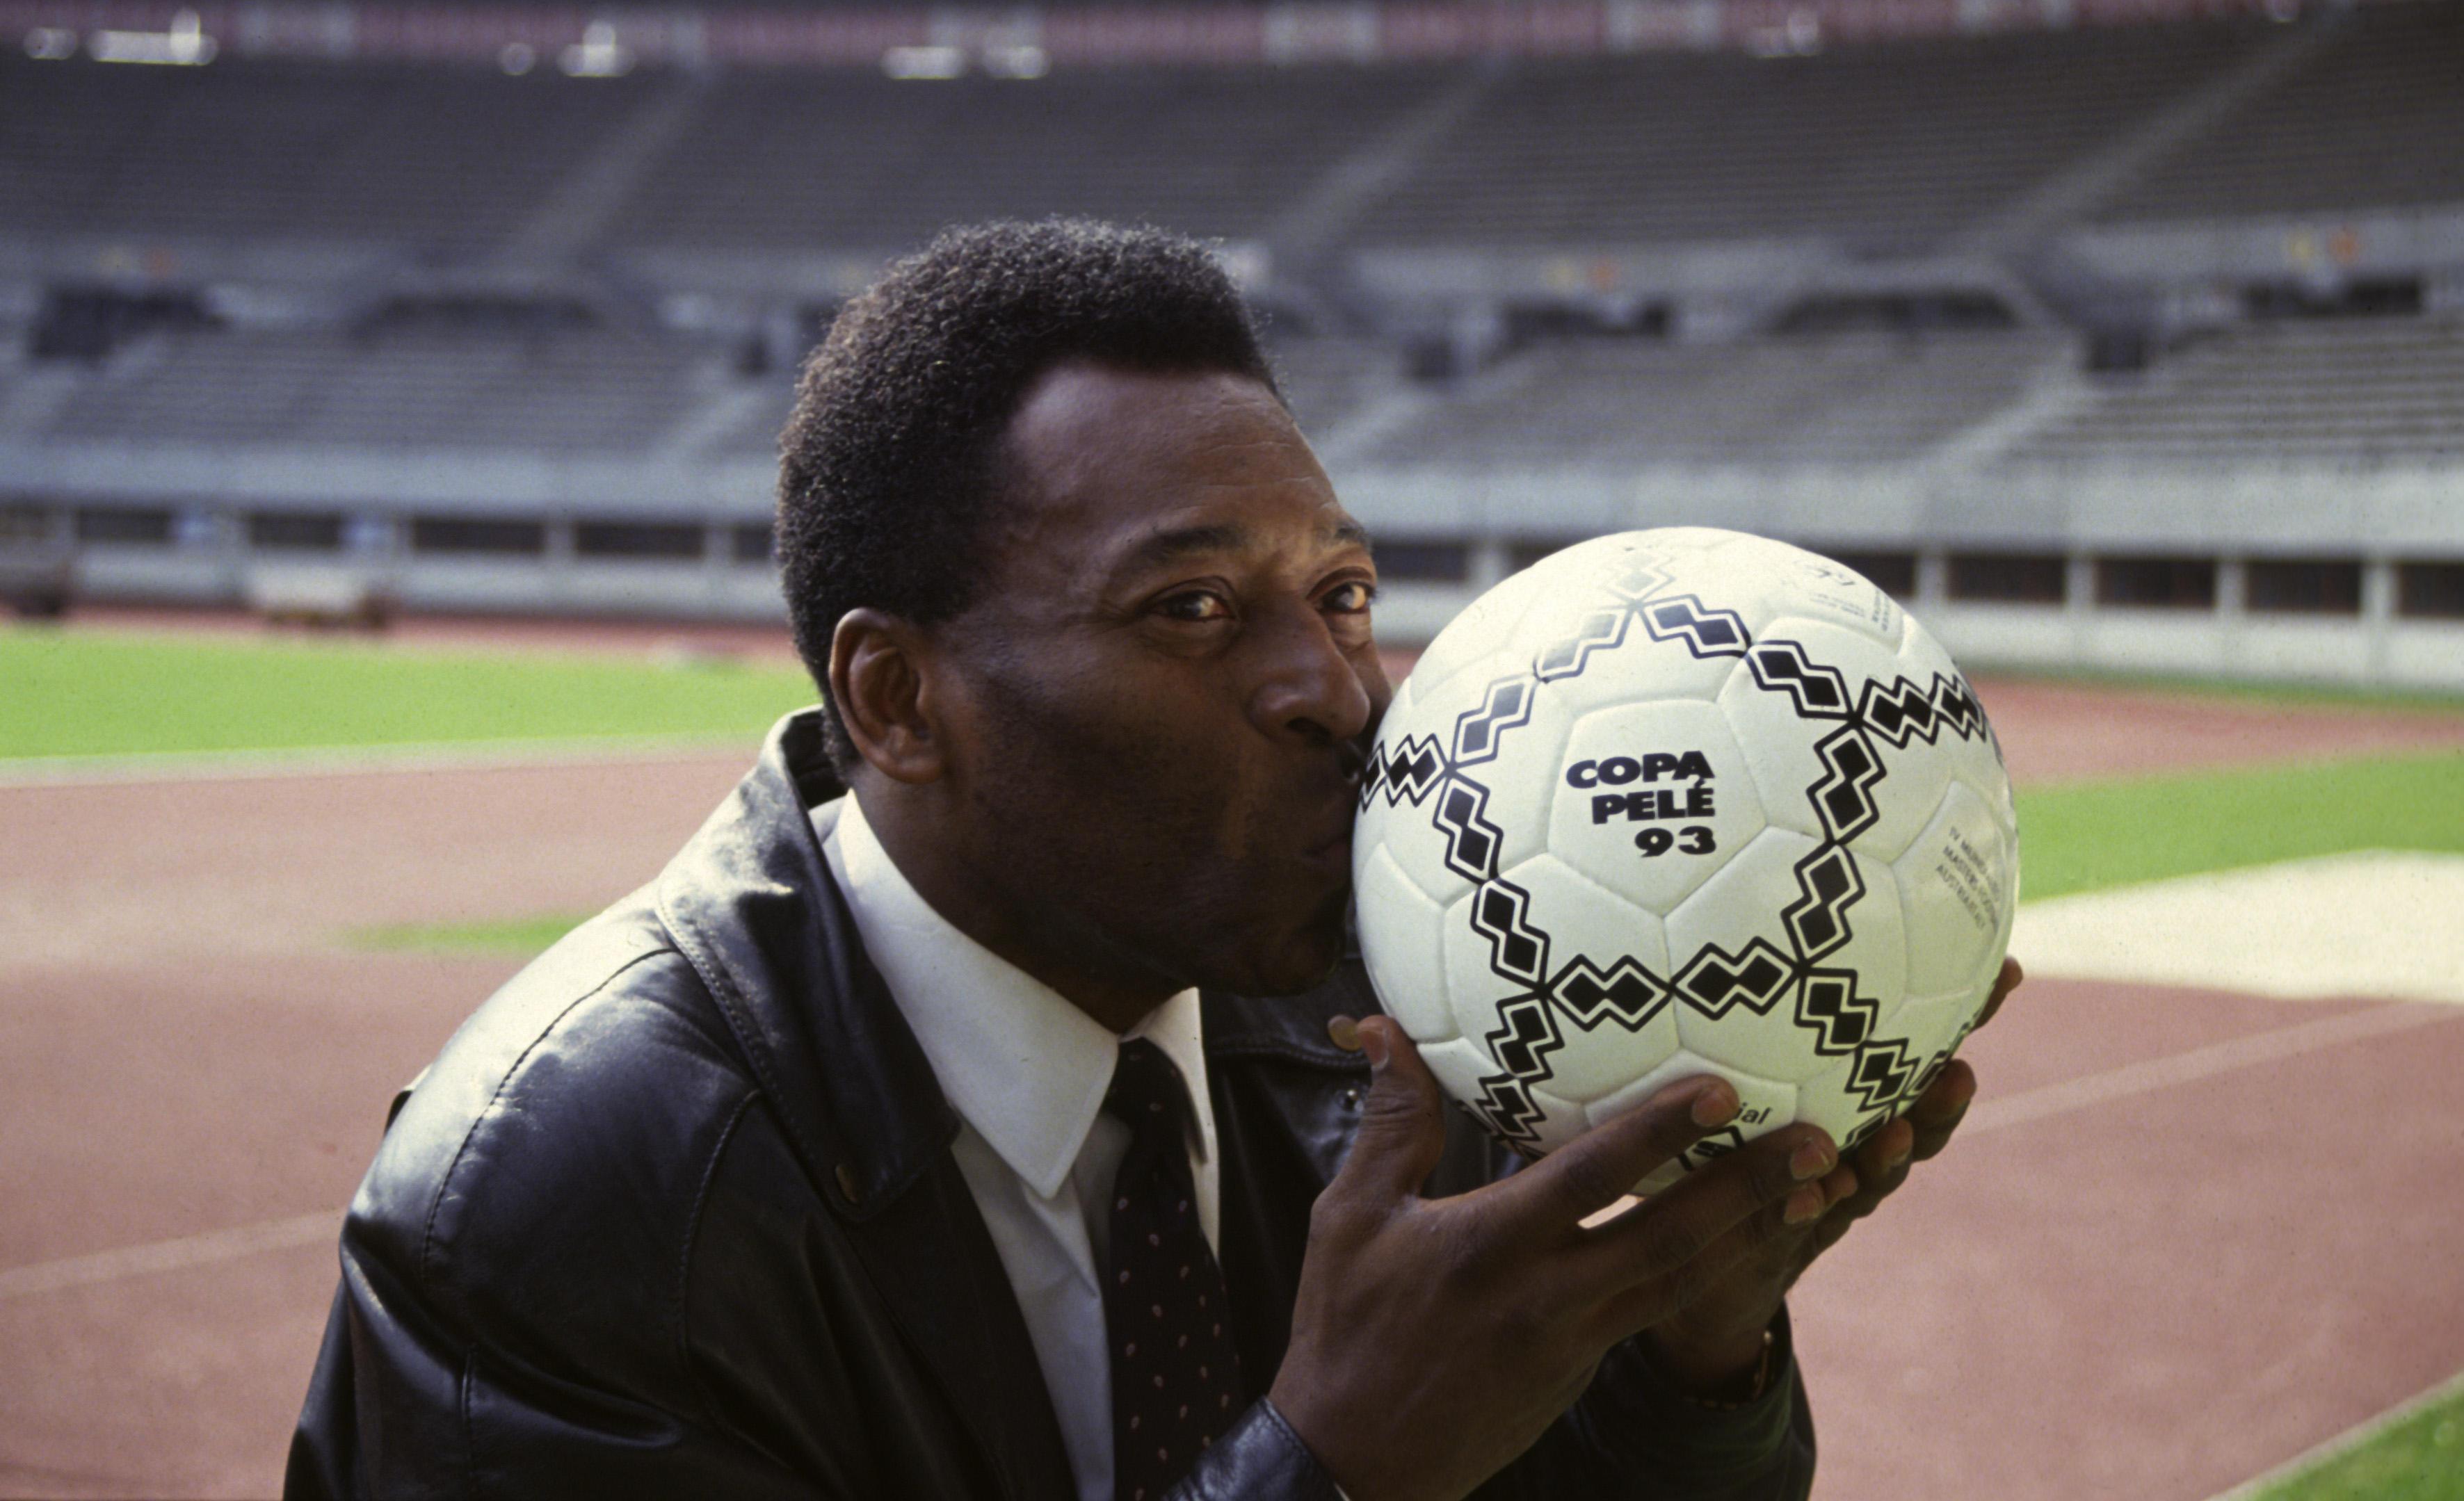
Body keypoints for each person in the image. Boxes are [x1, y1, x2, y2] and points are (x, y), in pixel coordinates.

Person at [288, 220, 2018, 1501]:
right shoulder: (567, 1203)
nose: (1335, 691)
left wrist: (1692, 1356)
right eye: (1191, 607)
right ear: (897, 698)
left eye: (1340, 593)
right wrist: (1326, 1469)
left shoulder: (1411, 1024)